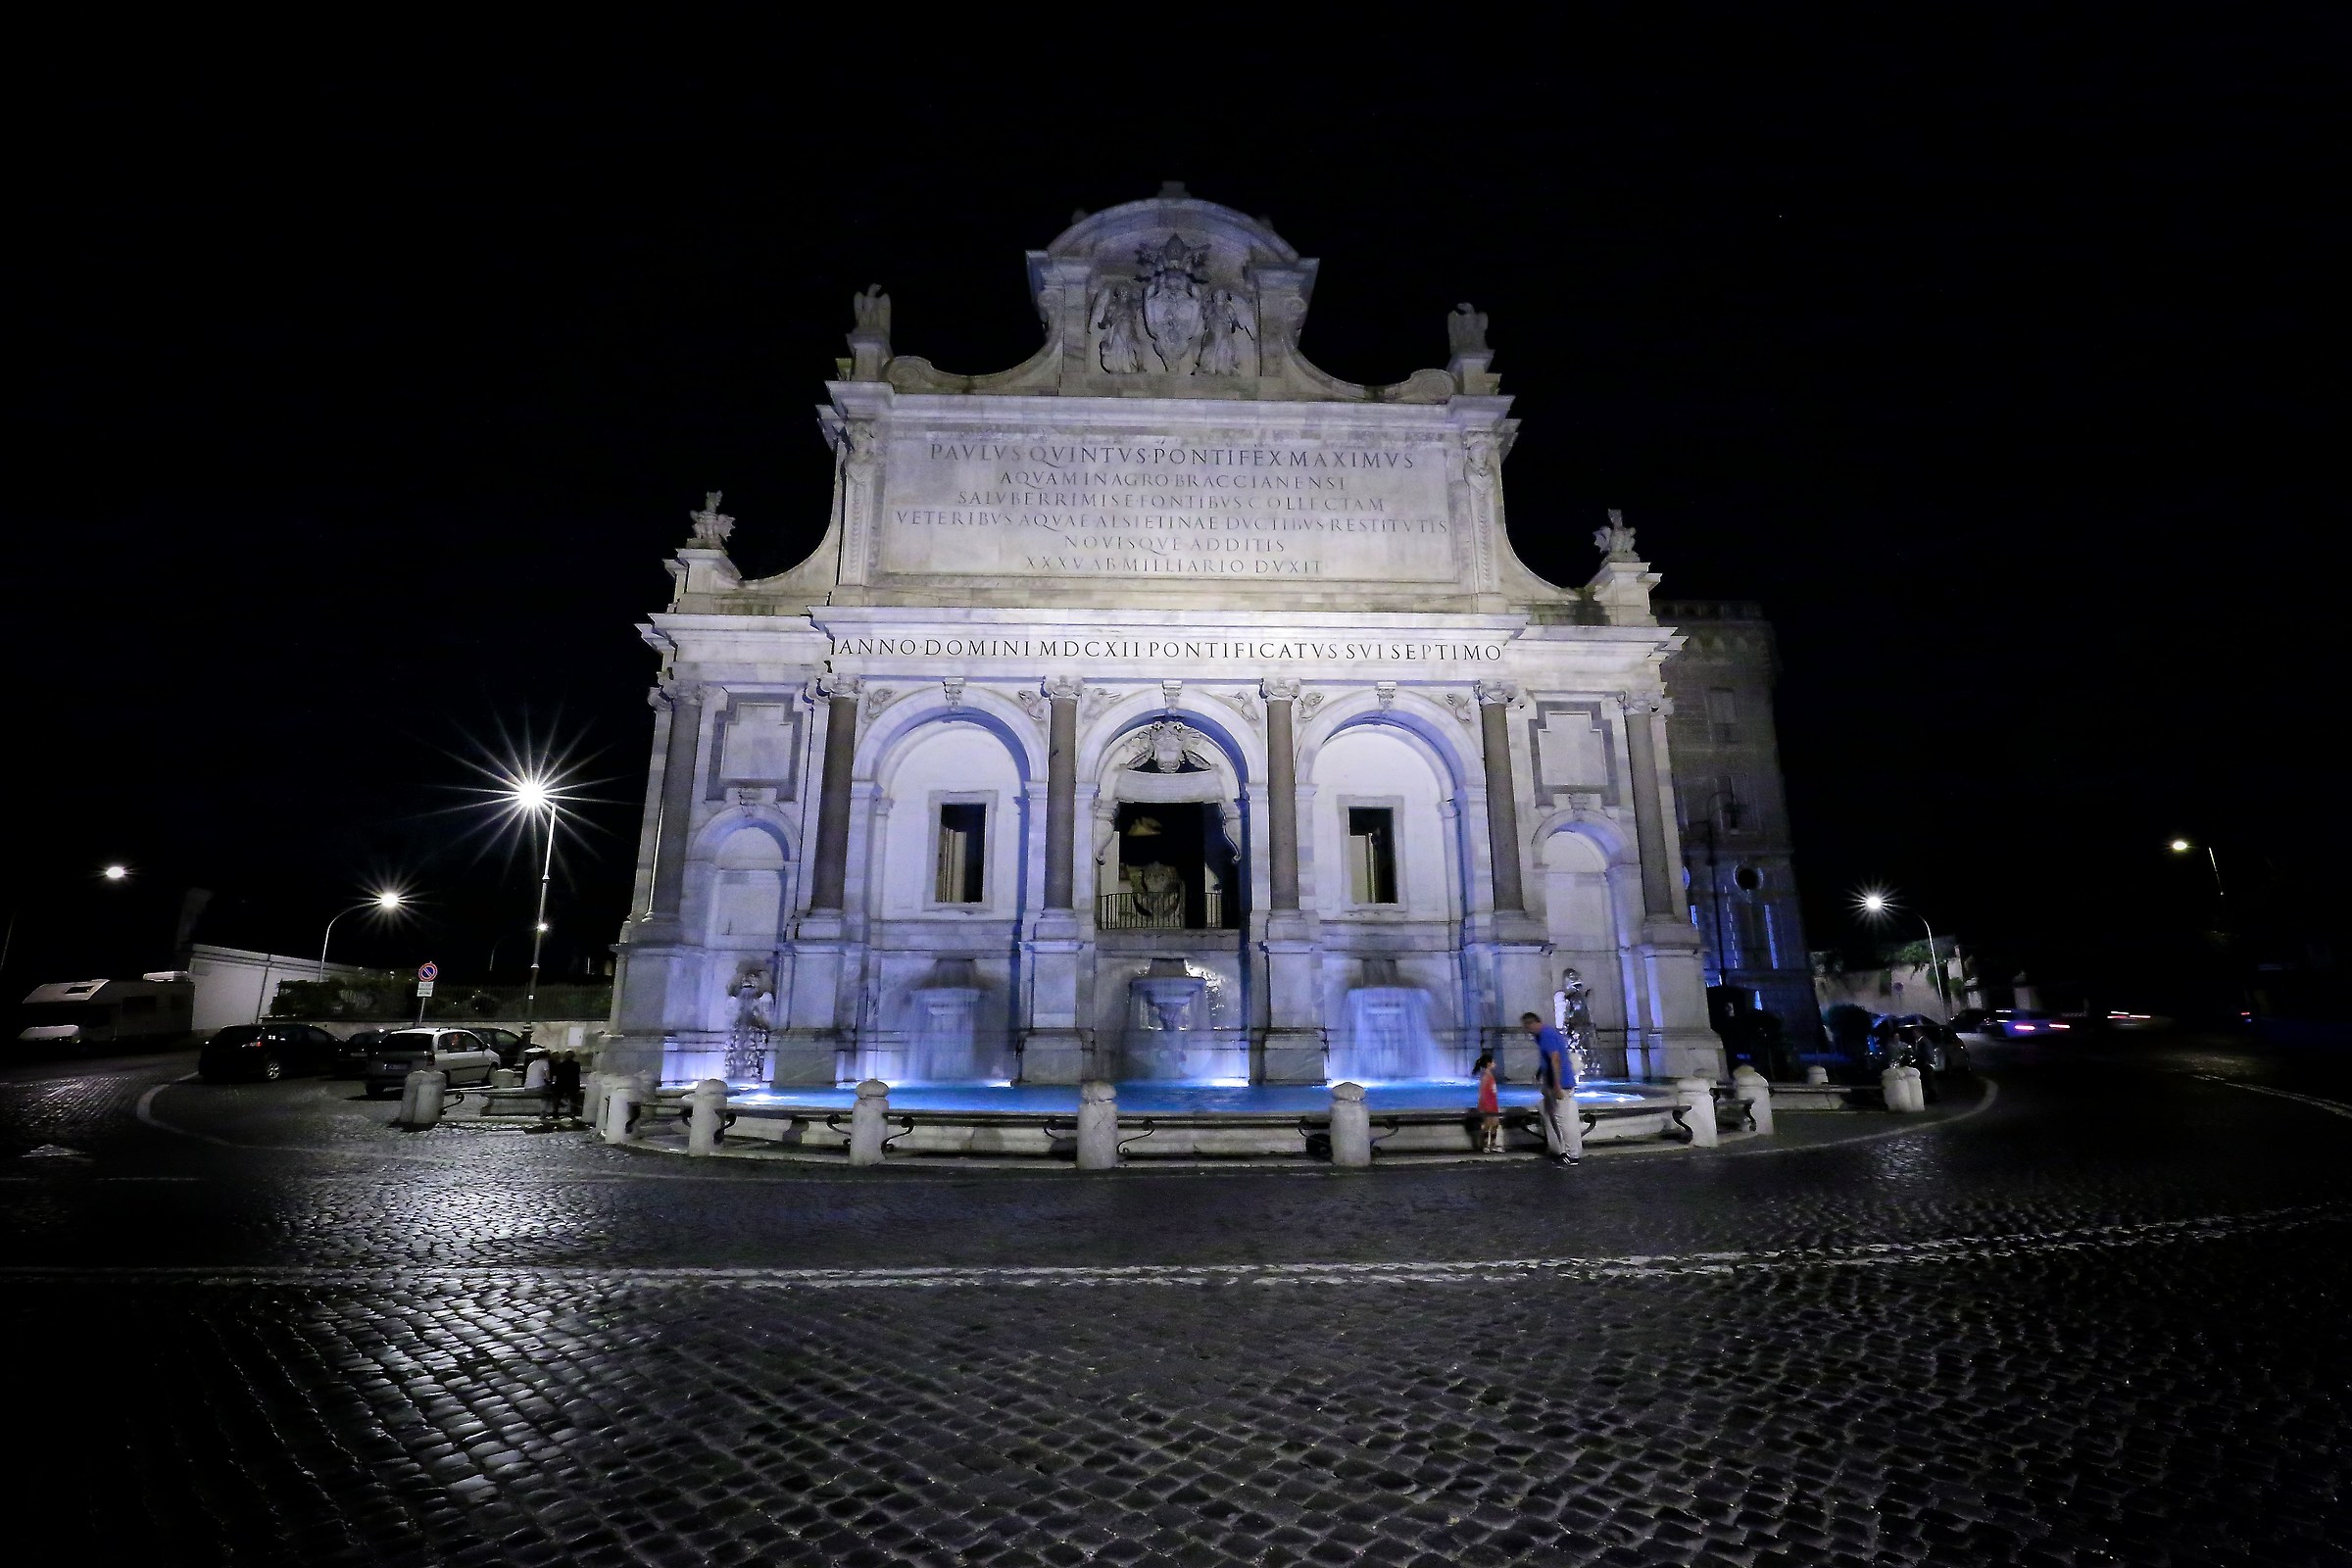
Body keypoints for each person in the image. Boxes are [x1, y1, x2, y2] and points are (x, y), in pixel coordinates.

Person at [1521, 1011, 1582, 1166]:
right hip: (1553, 1084)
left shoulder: (1546, 1035)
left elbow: (1555, 1059)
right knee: (1549, 1113)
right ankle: (1559, 1149)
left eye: (1526, 1027)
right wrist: (1540, 1072)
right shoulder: (1543, 1035)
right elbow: (1548, 1059)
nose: (1527, 1032)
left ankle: (1572, 1155)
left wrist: (1557, 1085)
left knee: (1563, 1120)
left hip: (1561, 1084)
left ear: (1532, 1024)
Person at [1472, 1051, 1501, 1152]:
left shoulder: (1489, 1076)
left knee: (1495, 1123)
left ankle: (1492, 1145)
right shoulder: (1485, 1077)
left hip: (1493, 1104)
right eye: (1493, 1062)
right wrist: (1482, 1106)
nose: (1495, 1063)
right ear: (1489, 1064)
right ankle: (1485, 1145)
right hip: (1488, 1105)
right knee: (1487, 1124)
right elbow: (1482, 1092)